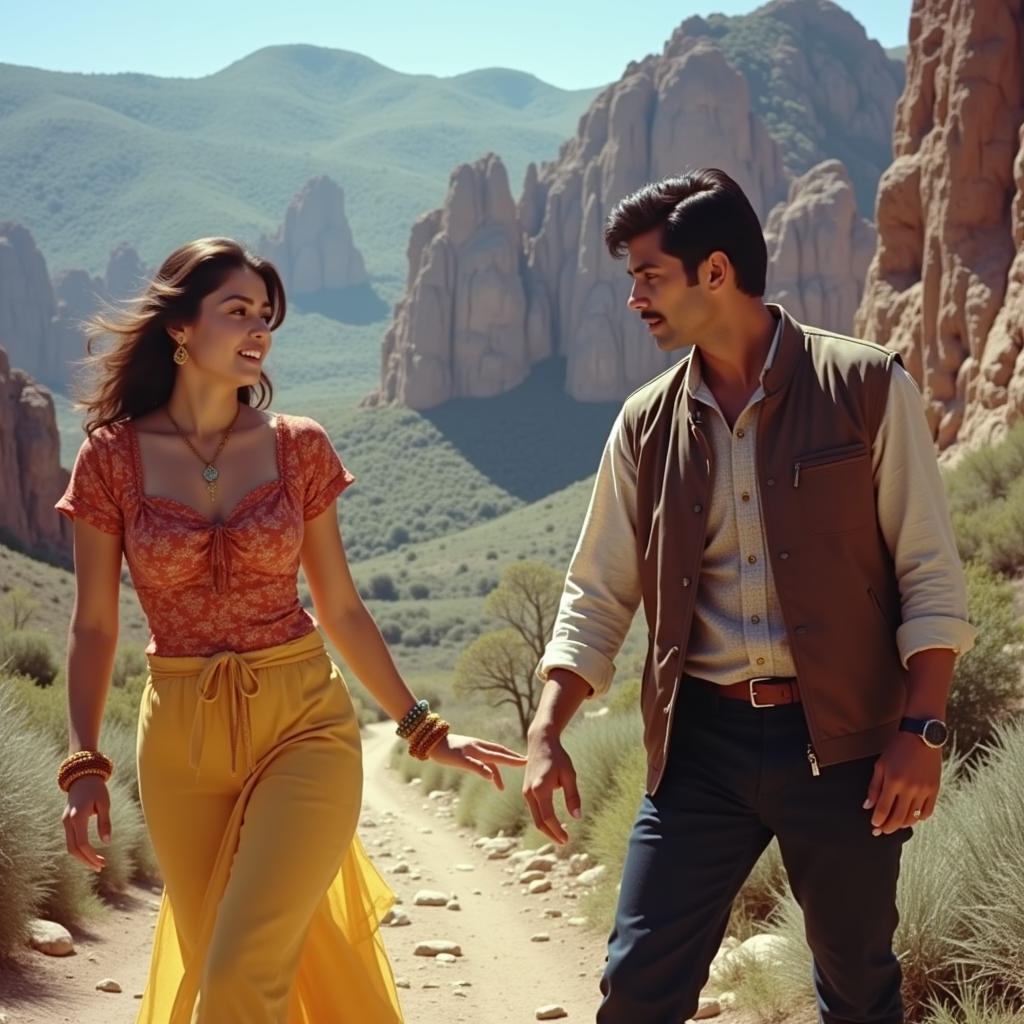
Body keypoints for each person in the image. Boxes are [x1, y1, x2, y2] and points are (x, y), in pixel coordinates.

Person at [521, 169, 978, 1024]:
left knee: (857, 988)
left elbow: (929, 570)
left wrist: (922, 730)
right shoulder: (644, 424)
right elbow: (598, 591)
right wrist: (548, 728)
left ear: (717, 273)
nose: (634, 301)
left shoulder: (869, 386)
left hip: (843, 747)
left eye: (649, 278)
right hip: (699, 749)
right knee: (637, 987)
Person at [55, 237, 526, 1024]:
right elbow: (94, 624)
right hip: (180, 739)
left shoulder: (297, 446)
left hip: (303, 722)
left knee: (242, 975)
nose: (257, 330)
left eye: (265, 316)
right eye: (236, 311)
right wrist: (82, 764)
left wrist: (423, 729)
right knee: (227, 974)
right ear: (179, 329)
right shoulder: (109, 460)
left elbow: (339, 606)